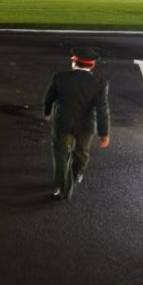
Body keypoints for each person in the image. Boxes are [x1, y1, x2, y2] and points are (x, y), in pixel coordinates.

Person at [42, 46, 111, 200]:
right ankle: (76, 174)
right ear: (92, 65)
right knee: (82, 154)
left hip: (63, 123)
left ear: (74, 63)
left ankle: (63, 189)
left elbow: (49, 97)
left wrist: (47, 113)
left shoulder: (60, 77)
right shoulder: (100, 83)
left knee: (60, 156)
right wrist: (104, 133)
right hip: (86, 126)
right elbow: (102, 109)